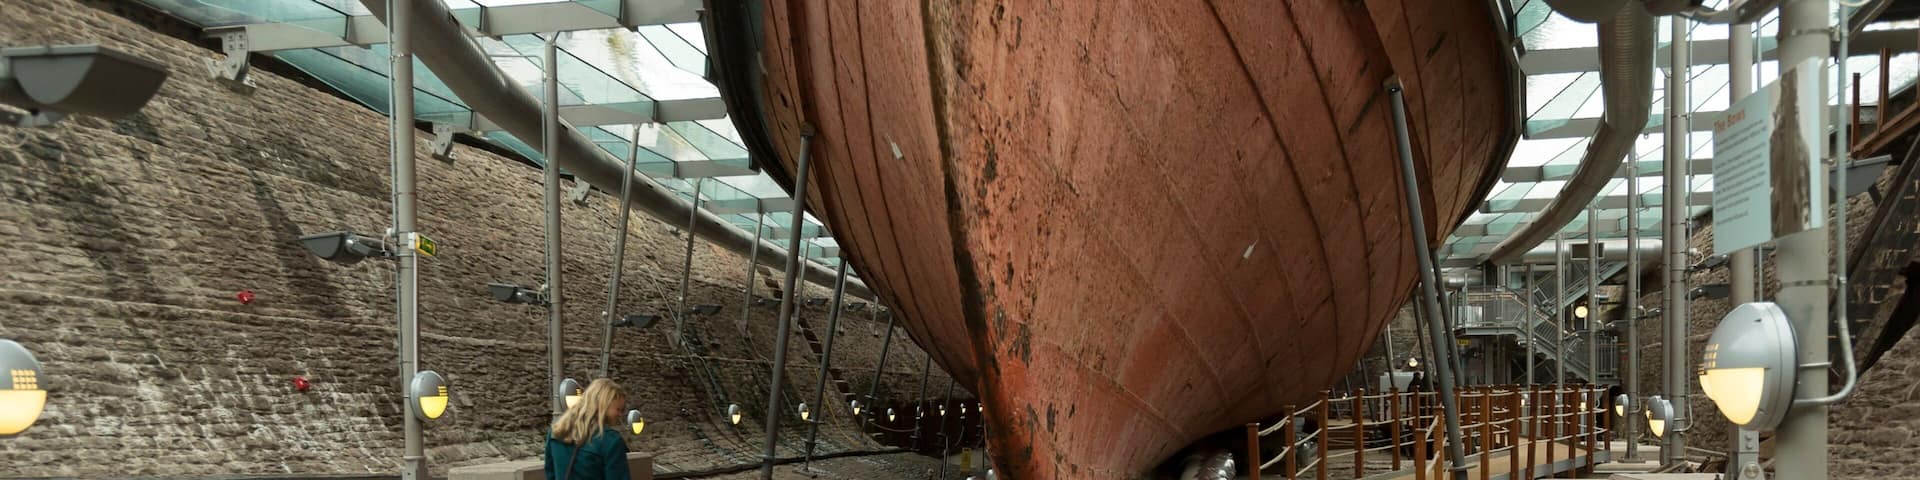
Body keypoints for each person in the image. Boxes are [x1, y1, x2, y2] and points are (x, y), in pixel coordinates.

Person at [545, 379, 632, 480]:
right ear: (604, 405)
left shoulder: (556, 432)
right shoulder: (610, 441)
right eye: (618, 409)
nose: (620, 415)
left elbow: (550, 474)